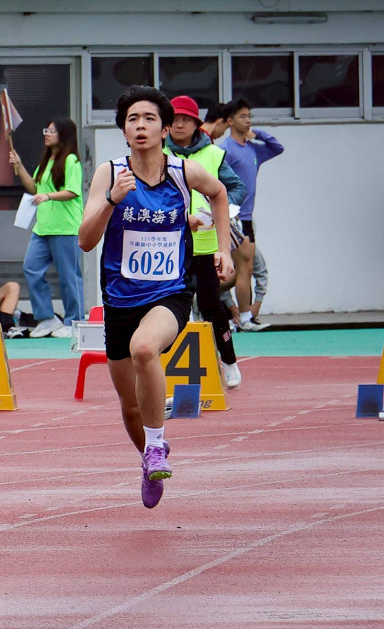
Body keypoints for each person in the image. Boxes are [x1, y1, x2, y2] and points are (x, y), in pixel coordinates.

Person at [79, 86, 232, 510]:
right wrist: (112, 201)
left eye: (149, 118)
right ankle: (148, 458)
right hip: (120, 299)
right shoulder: (110, 175)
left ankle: (158, 444)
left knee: (145, 348)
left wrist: (222, 247)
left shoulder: (184, 174)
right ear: (124, 132)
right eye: (132, 119)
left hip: (170, 293)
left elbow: (219, 194)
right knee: (129, 407)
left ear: (165, 129)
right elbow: (86, 241)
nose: (140, 125)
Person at [165, 95, 247, 388]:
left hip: (205, 243)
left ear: (196, 124)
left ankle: (229, 362)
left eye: (185, 119)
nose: (179, 125)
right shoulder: (158, 152)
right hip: (168, 244)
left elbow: (235, 187)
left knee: (212, 304)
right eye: (174, 119)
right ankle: (170, 367)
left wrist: (224, 210)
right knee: (172, 306)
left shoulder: (213, 154)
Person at [8, 117, 85, 339]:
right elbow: (34, 188)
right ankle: (46, 318)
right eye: (46, 129)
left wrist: (48, 196)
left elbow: (72, 191)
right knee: (31, 268)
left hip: (66, 228)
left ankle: (74, 321)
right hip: (42, 228)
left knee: (68, 276)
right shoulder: (46, 161)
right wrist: (19, 165)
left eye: (50, 130)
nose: (46, 134)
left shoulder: (72, 161)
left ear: (64, 134)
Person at [218, 99, 284, 331]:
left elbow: (277, 147)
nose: (248, 120)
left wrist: (258, 134)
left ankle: (239, 317)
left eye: (249, 116)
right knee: (238, 268)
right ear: (230, 121)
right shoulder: (225, 148)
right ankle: (239, 316)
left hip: (247, 217)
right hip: (233, 215)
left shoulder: (253, 148)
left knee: (245, 268)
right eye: (243, 116)